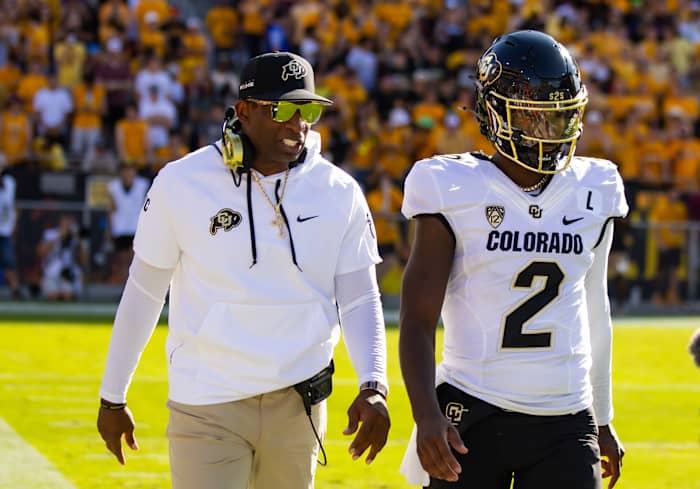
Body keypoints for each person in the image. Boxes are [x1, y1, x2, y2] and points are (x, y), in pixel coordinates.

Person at [97, 51, 390, 489]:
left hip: (298, 402)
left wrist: (374, 383)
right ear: (244, 112)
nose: (298, 123)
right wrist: (113, 396)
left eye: (306, 109)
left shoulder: (339, 191)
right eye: (284, 109)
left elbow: (360, 296)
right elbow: (144, 291)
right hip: (207, 400)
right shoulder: (181, 182)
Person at [398, 30, 627, 489]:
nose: (551, 132)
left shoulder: (596, 186)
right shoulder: (450, 184)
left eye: (560, 118)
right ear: (496, 114)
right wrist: (426, 417)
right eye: (535, 118)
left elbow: (594, 310)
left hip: (566, 413)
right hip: (473, 407)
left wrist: (601, 415)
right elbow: (417, 318)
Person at [106, 162, 150, 284]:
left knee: (135, 261)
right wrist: (109, 228)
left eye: (130, 171)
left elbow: (147, 206)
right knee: (123, 261)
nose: (127, 174)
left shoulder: (142, 185)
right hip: (120, 228)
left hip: (136, 227)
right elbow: (111, 209)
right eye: (125, 171)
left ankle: (135, 288)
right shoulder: (114, 187)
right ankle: (124, 289)